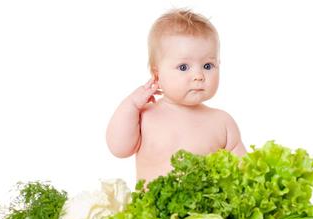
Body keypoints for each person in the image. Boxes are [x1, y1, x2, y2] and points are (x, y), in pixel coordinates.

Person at [106, 9, 247, 183]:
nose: (199, 75)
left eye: (208, 66)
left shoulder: (223, 122)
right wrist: (131, 106)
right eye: (183, 67)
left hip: (207, 210)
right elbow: (119, 148)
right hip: (151, 209)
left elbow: (243, 172)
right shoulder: (146, 115)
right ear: (157, 75)